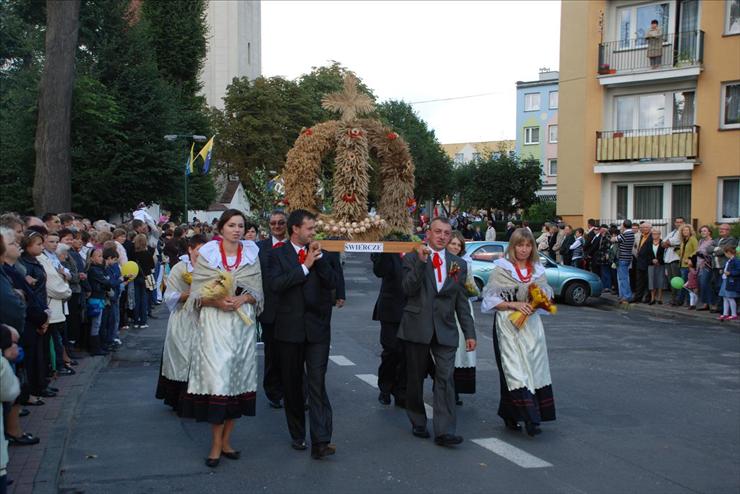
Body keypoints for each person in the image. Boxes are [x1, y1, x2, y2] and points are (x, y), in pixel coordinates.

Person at [178, 209, 263, 467]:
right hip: (215, 324)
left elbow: (257, 291)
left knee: (237, 378)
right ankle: (215, 443)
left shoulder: (251, 253)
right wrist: (216, 301)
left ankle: (227, 440)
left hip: (241, 324)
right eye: (232, 225)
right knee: (219, 380)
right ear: (221, 229)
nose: (237, 230)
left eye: (240, 225)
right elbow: (196, 296)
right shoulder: (207, 255)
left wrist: (243, 297)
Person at [398, 217, 476, 447]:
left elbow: (461, 301)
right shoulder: (413, 257)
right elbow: (407, 289)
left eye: (446, 233)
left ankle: (445, 431)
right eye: (438, 232)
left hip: (446, 329)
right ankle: (418, 420)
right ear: (428, 234)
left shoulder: (458, 265)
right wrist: (422, 264)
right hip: (417, 326)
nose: (442, 236)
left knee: (445, 378)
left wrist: (469, 332)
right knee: (415, 378)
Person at [270, 209, 340, 459]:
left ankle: (321, 441)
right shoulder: (277, 254)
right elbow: (276, 285)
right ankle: (298, 434)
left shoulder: (322, 253)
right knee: (292, 385)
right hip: (289, 330)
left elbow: (332, 282)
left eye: (314, 228)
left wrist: (318, 261)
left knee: (317, 384)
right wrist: (304, 267)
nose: (313, 233)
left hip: (318, 329)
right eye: (309, 228)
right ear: (295, 229)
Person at [481, 228, 556, 437]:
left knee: (534, 367)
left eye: (528, 245)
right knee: (514, 369)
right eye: (519, 245)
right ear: (512, 247)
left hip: (531, 325)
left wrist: (536, 303)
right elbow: (490, 301)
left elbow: (545, 298)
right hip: (507, 323)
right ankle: (530, 418)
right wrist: (513, 304)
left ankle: (514, 413)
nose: (524, 249)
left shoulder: (537, 270)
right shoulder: (501, 269)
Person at [156, 234, 206, 410]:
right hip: (183, 318)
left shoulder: (209, 268)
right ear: (190, 250)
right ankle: (180, 399)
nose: (200, 254)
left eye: (204, 250)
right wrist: (189, 294)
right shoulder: (180, 268)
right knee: (182, 355)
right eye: (197, 250)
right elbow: (169, 296)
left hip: (203, 318)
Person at [256, 211, 288, 409]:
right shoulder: (260, 249)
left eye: (281, 223)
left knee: (295, 354)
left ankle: (297, 392)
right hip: (270, 310)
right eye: (273, 223)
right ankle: (274, 392)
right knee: (273, 354)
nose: (276, 226)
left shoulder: (296, 246)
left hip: (293, 309)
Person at [371, 250, 407, 408]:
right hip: (390, 309)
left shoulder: (415, 245)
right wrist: (386, 249)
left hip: (411, 309)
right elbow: (379, 271)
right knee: (391, 350)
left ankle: (401, 392)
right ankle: (385, 387)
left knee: (406, 353)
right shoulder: (387, 248)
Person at [446, 231, 477, 406]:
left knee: (461, 351)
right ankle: (444, 388)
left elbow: (471, 290)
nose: (456, 247)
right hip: (446, 310)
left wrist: (471, 288)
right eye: (453, 243)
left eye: (459, 245)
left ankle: (455, 390)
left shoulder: (465, 264)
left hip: (462, 309)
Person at [711, 224, 737, 315]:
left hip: (724, 267)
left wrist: (715, 250)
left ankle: (721, 308)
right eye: (720, 229)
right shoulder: (716, 239)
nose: (721, 230)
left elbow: (723, 251)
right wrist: (716, 249)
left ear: (728, 231)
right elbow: (708, 249)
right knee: (716, 286)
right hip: (715, 266)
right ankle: (720, 306)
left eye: (724, 229)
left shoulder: (731, 240)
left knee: (722, 287)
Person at [131, 233, 154, 328]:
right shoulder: (147, 253)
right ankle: (143, 321)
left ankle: (136, 320)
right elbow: (152, 265)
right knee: (144, 299)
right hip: (146, 277)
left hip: (136, 277)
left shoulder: (133, 253)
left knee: (136, 299)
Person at [613, 220, 635, 304]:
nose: (621, 226)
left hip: (622, 258)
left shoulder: (625, 234)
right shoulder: (632, 234)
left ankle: (626, 296)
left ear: (624, 226)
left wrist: (619, 233)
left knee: (623, 278)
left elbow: (613, 239)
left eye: (622, 225)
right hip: (628, 257)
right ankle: (623, 296)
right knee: (625, 278)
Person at [663, 217, 684, 305]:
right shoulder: (671, 233)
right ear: (674, 223)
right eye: (677, 222)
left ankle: (678, 299)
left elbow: (676, 242)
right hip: (668, 259)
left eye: (680, 222)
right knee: (670, 281)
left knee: (677, 280)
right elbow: (663, 243)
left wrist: (668, 243)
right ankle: (673, 298)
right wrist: (668, 243)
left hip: (675, 259)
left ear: (683, 223)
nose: (678, 224)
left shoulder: (682, 233)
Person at [676, 224, 698, 306]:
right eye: (683, 230)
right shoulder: (683, 240)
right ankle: (682, 300)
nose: (685, 232)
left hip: (688, 265)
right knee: (684, 283)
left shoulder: (693, 239)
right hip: (682, 264)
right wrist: (677, 252)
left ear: (690, 231)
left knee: (687, 284)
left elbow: (696, 250)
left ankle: (686, 301)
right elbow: (682, 252)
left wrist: (689, 258)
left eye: (687, 230)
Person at [696, 226, 716, 311]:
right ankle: (705, 304)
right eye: (701, 231)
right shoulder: (701, 241)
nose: (703, 232)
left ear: (709, 232)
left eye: (705, 231)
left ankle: (712, 304)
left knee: (706, 284)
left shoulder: (712, 242)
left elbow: (713, 254)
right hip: (699, 266)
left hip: (707, 266)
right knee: (702, 285)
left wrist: (704, 256)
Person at [717, 245, 739, 321]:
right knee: (725, 297)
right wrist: (723, 271)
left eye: (725, 253)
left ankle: (734, 314)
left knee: (730, 297)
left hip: (730, 281)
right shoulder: (729, 260)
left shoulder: (736, 261)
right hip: (725, 280)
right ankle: (725, 313)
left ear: (729, 252)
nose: (725, 255)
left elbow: (738, 271)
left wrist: (730, 273)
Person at [633, 222, 653, 303]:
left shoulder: (651, 237)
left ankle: (648, 297)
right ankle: (638, 297)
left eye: (645, 227)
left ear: (649, 228)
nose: (642, 229)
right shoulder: (641, 236)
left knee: (648, 281)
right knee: (639, 281)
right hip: (640, 261)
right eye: (641, 227)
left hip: (648, 261)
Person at [646, 228, 666, 305]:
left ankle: (660, 298)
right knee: (652, 281)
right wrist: (652, 260)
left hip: (660, 264)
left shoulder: (662, 243)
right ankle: (652, 298)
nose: (655, 235)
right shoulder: (648, 243)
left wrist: (658, 260)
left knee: (660, 281)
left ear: (659, 234)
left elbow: (664, 254)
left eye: (656, 234)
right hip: (651, 264)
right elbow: (646, 254)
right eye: (653, 234)